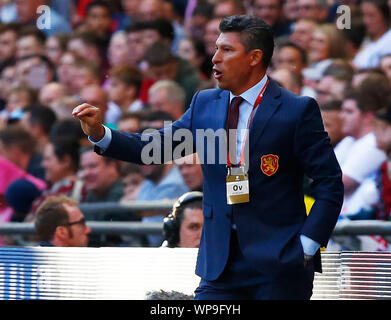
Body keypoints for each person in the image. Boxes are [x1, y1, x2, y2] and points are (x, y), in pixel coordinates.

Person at [73, 15, 343, 300]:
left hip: (279, 266)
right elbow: (154, 148)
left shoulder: (296, 110)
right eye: (216, 48)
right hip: (219, 265)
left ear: (254, 57)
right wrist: (101, 133)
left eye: (226, 50)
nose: (214, 58)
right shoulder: (204, 103)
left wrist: (308, 244)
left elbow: (330, 183)